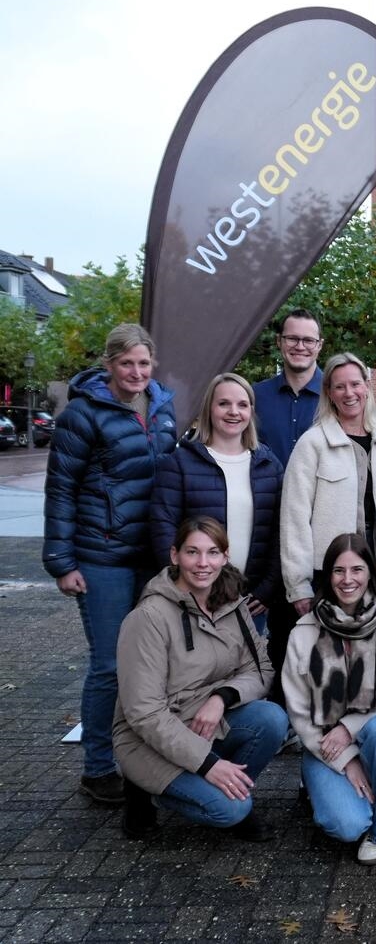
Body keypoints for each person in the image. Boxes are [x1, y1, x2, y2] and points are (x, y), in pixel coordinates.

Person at [43, 323, 178, 805]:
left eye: (143, 363)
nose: (136, 372)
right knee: (108, 666)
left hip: (150, 555)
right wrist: (61, 560)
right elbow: (60, 488)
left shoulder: (162, 408)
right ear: (109, 365)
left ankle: (141, 757)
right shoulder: (83, 414)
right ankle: (97, 767)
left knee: (149, 666)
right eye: (127, 364)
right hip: (100, 557)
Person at [113, 517, 287, 842]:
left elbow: (261, 671)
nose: (203, 563)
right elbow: (144, 713)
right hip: (149, 739)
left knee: (272, 718)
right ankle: (146, 790)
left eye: (212, 553)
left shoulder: (233, 604)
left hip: (204, 721)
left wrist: (222, 697)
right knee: (231, 811)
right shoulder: (147, 618)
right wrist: (207, 764)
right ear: (175, 555)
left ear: (225, 556)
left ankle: (230, 790)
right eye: (193, 552)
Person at [283, 534, 376, 865]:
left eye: (357, 569)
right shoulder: (303, 632)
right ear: (327, 576)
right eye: (338, 571)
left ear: (371, 572)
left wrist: (350, 726)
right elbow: (299, 713)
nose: (348, 580)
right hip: (325, 747)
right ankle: (325, 787)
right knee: (347, 826)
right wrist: (346, 759)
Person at [151, 373, 283, 635]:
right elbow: (162, 528)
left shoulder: (269, 465)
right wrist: (184, 586)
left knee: (247, 674)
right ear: (209, 408)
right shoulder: (180, 463)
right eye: (224, 403)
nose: (233, 412)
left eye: (242, 405)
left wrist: (267, 589)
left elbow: (281, 533)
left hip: (250, 601)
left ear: (251, 411)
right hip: (195, 600)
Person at [280, 352, 376, 624]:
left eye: (355, 384)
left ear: (367, 387)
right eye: (340, 386)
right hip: (327, 574)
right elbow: (294, 518)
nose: (349, 393)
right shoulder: (312, 444)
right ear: (329, 393)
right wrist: (298, 585)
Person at [253, 308, 324, 470]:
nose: (300, 346)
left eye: (308, 340)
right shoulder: (255, 396)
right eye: (292, 338)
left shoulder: (337, 395)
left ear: (319, 345)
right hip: (266, 494)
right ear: (279, 341)